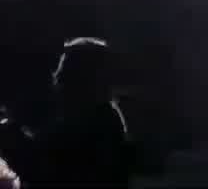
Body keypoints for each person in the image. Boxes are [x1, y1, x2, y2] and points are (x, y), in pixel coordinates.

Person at [1, 37, 135, 188]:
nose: (57, 76)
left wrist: (10, 134)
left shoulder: (94, 120)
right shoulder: (98, 115)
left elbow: (43, 169)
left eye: (65, 67)